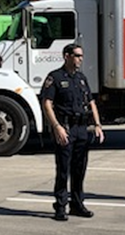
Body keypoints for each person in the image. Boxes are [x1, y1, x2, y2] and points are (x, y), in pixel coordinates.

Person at [41, 44, 104, 221]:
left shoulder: (81, 78)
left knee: (79, 169)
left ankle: (77, 204)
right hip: (66, 128)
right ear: (67, 56)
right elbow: (47, 103)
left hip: (82, 128)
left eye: (81, 55)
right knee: (63, 170)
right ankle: (60, 206)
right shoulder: (55, 77)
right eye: (77, 55)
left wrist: (97, 124)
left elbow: (91, 102)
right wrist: (56, 126)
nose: (80, 59)